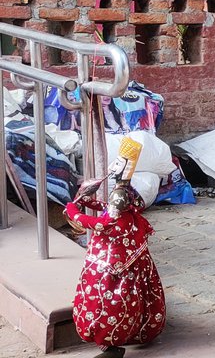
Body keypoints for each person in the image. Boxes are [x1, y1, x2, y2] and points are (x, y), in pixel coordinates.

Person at [64, 138, 165, 358]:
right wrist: (90, 203)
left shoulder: (120, 194)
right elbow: (110, 211)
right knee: (131, 292)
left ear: (124, 169)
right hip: (127, 251)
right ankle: (128, 332)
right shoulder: (125, 192)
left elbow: (104, 223)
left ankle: (111, 341)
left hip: (115, 258)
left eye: (117, 165)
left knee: (108, 295)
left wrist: (73, 212)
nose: (112, 168)